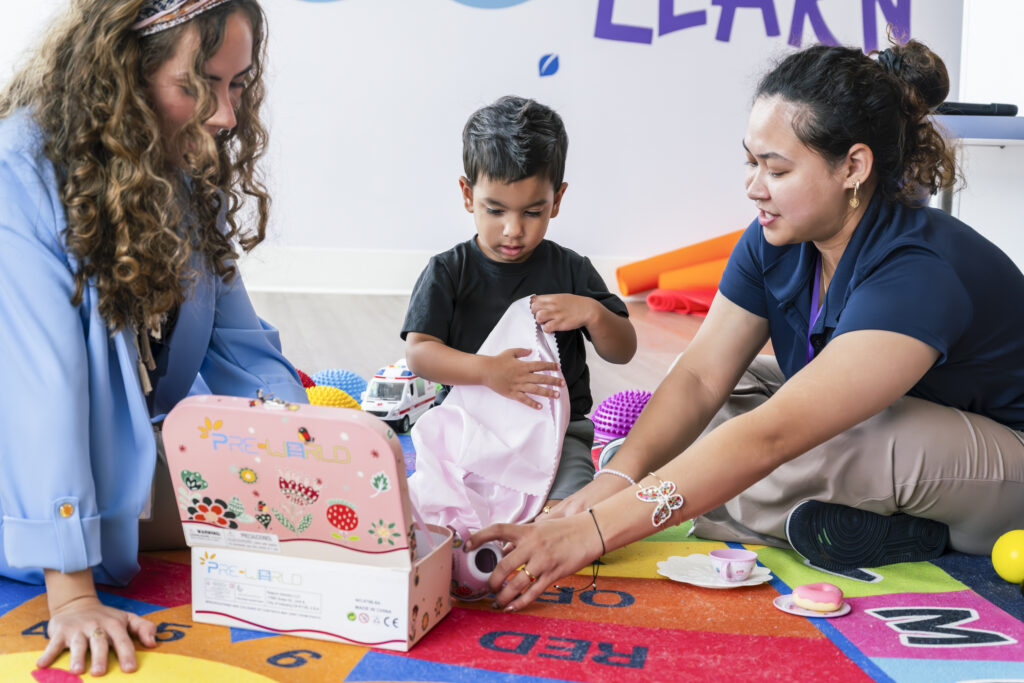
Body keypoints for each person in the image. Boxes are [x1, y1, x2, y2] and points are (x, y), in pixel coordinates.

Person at [468, 40, 1024, 611]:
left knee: (800, 445)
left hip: (1006, 463)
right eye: (751, 161)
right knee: (726, 406)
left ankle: (903, 527)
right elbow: (701, 378)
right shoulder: (775, 239)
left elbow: (774, 436)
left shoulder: (917, 271)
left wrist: (594, 530)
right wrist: (617, 482)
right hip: (902, 423)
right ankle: (850, 520)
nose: (753, 186)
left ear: (853, 167)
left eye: (776, 169)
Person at [0, 0, 307, 675]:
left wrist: (320, 467)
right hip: (19, 476)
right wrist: (73, 595)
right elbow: (41, 387)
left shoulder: (184, 173)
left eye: (235, 85)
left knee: (300, 515)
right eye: (198, 88)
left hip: (112, 468)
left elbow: (245, 352)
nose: (225, 115)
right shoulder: (17, 171)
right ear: (124, 74)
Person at [402, 95, 637, 507]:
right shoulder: (448, 271)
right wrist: (488, 371)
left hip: (556, 441)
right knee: (440, 510)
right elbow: (420, 353)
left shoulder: (570, 270)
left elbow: (623, 350)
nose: (513, 230)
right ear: (466, 193)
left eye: (532, 212)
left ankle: (600, 470)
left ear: (557, 200)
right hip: (469, 434)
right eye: (495, 210)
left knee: (569, 516)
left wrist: (594, 313)